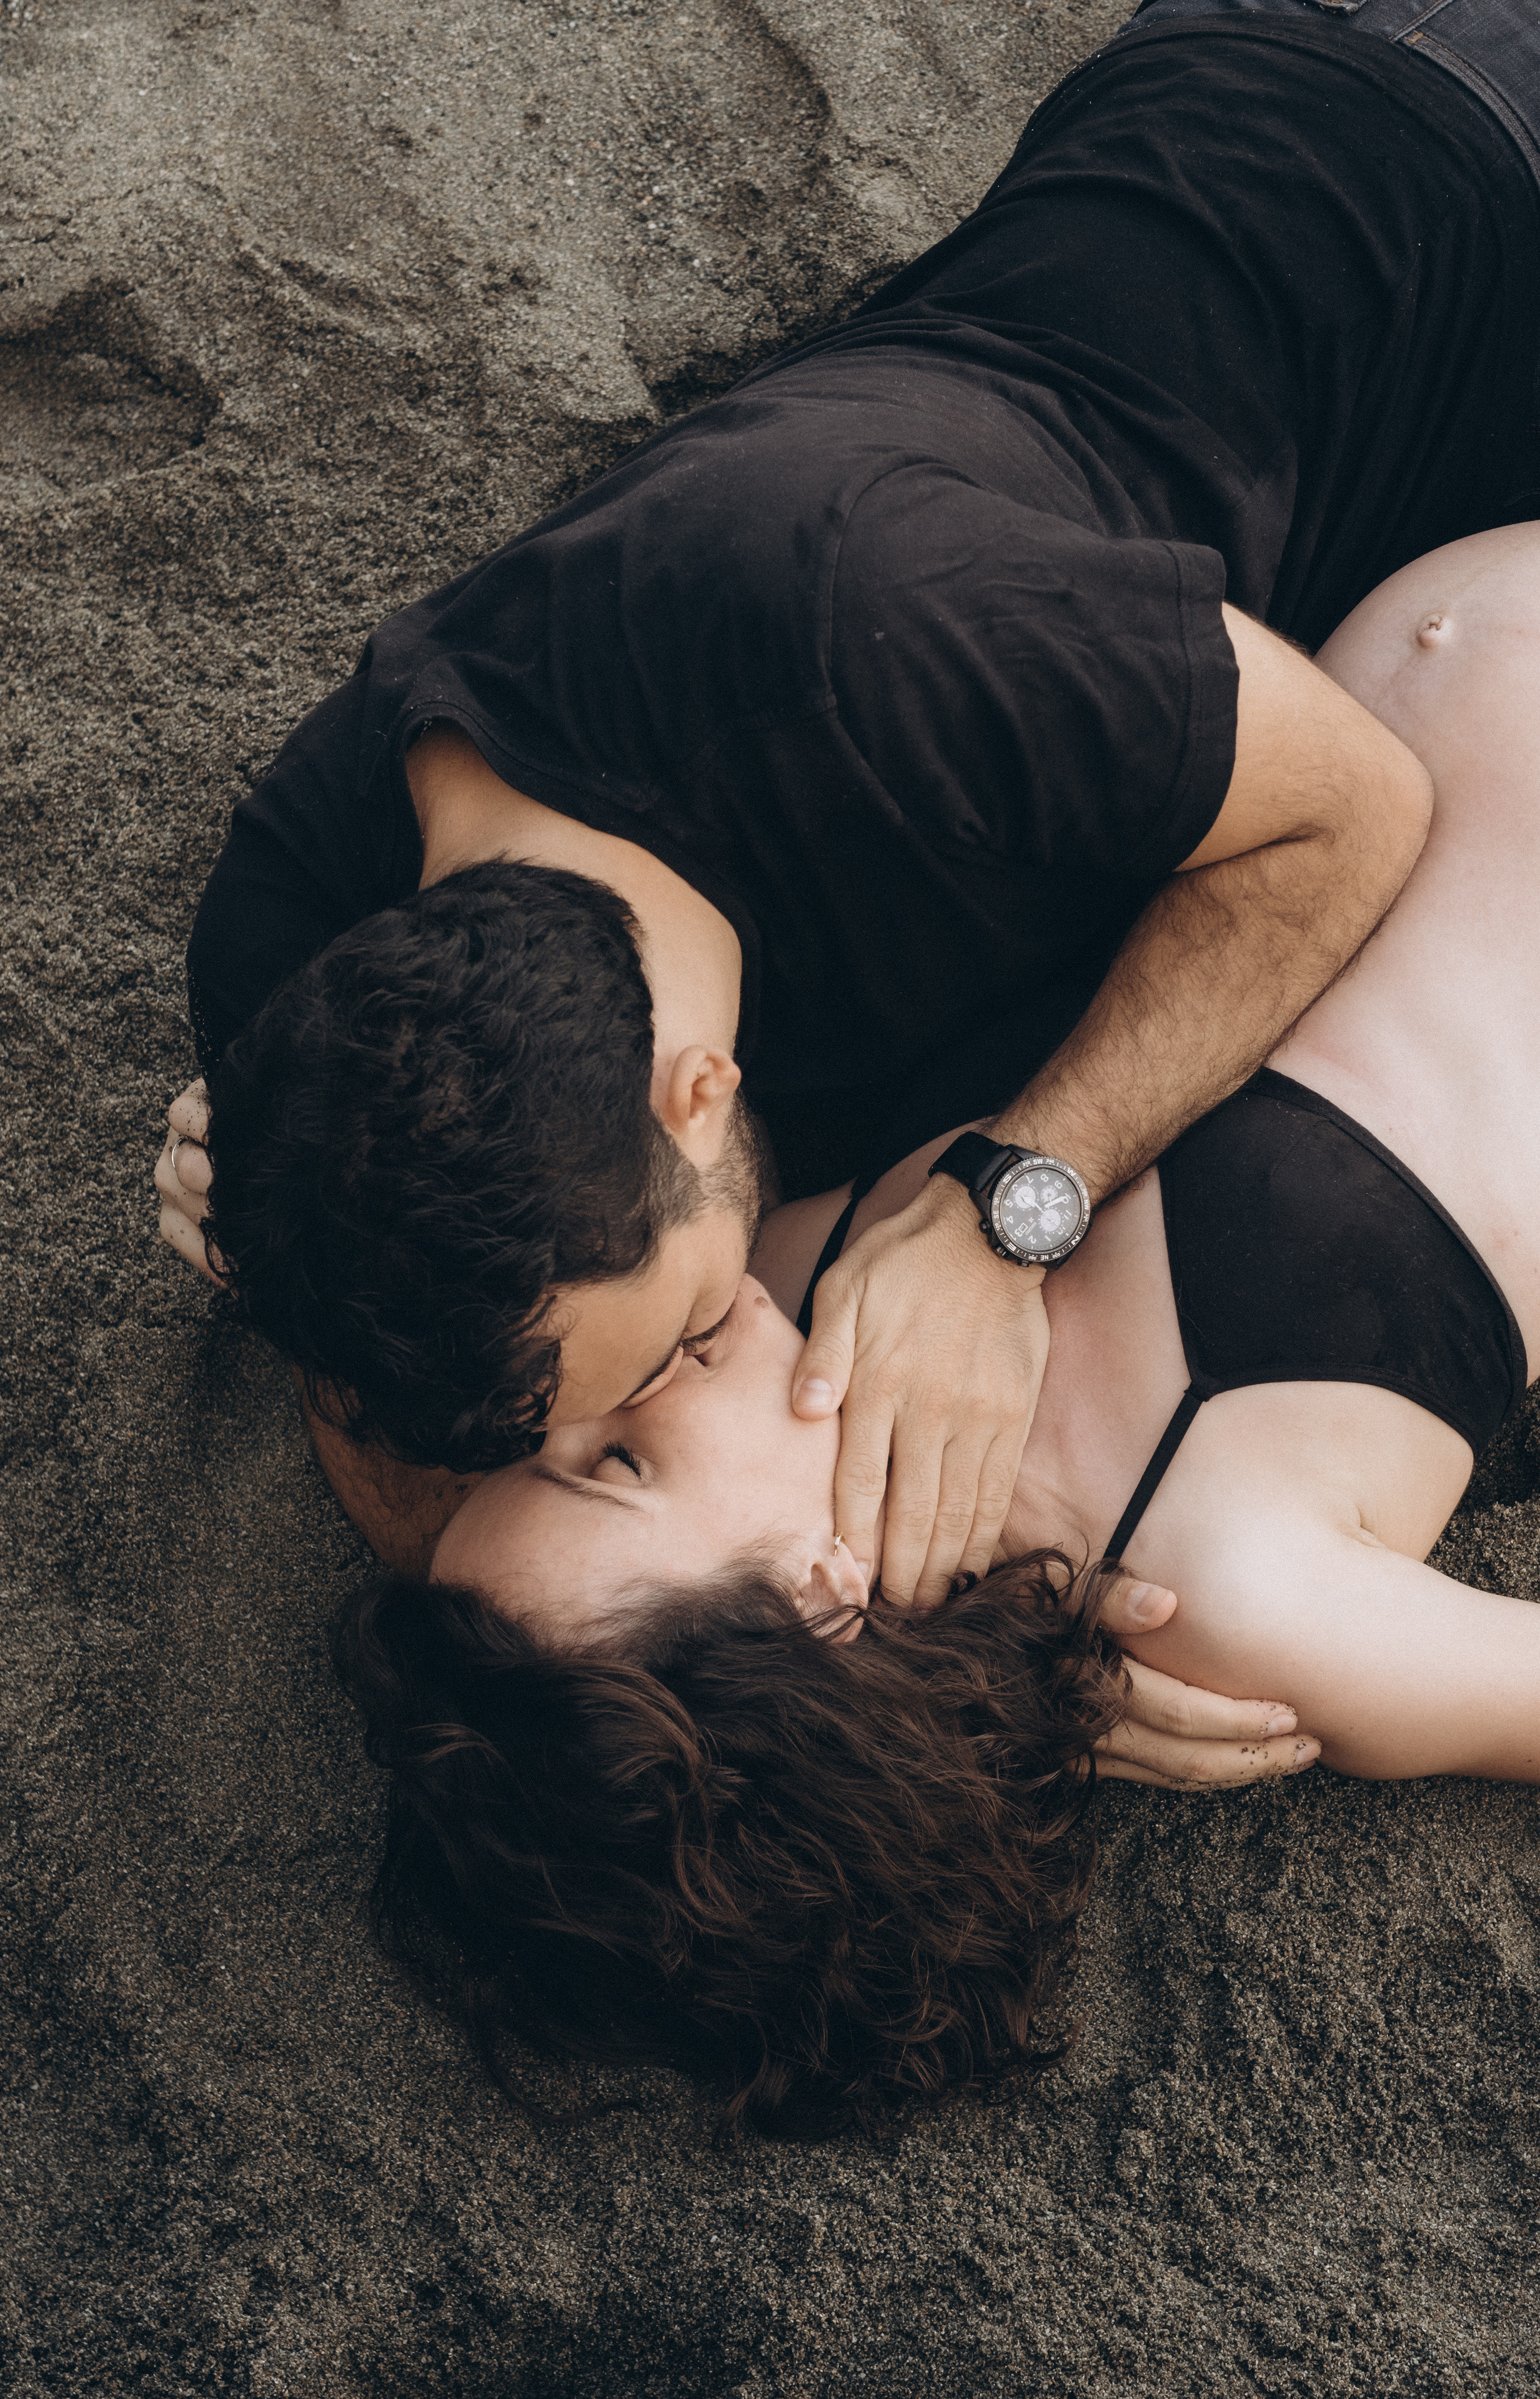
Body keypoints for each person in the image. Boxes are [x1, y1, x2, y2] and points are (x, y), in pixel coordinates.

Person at [159, 0, 1540, 1609]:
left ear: (697, 1094)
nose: (651, 1403)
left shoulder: (877, 645)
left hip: (1440, 158)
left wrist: (1009, 1214)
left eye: (681, 1341)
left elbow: (1350, 813)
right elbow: (428, 1477)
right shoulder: (293, 1007)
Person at [334, 520, 1540, 2137]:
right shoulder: (1221, 1603)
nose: (601, 1394)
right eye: (615, 1463)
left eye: (536, 1439)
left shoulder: (757, 1291)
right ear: (819, 1607)